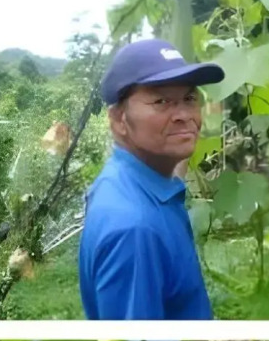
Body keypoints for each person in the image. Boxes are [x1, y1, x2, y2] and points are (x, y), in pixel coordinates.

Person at [78, 39, 226, 320]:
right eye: (161, 102)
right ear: (119, 120)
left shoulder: (131, 183)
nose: (184, 116)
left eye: (189, 99)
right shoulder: (134, 229)